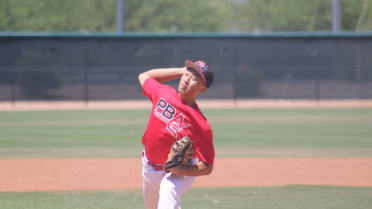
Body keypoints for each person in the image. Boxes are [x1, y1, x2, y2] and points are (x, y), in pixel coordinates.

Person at [138, 60, 215, 209]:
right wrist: (180, 71)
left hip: (180, 170)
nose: (186, 79)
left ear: (202, 89)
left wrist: (182, 170)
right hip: (150, 166)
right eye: (186, 74)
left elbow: (208, 166)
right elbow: (144, 76)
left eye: (193, 78)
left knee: (168, 189)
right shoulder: (163, 92)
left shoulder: (201, 124)